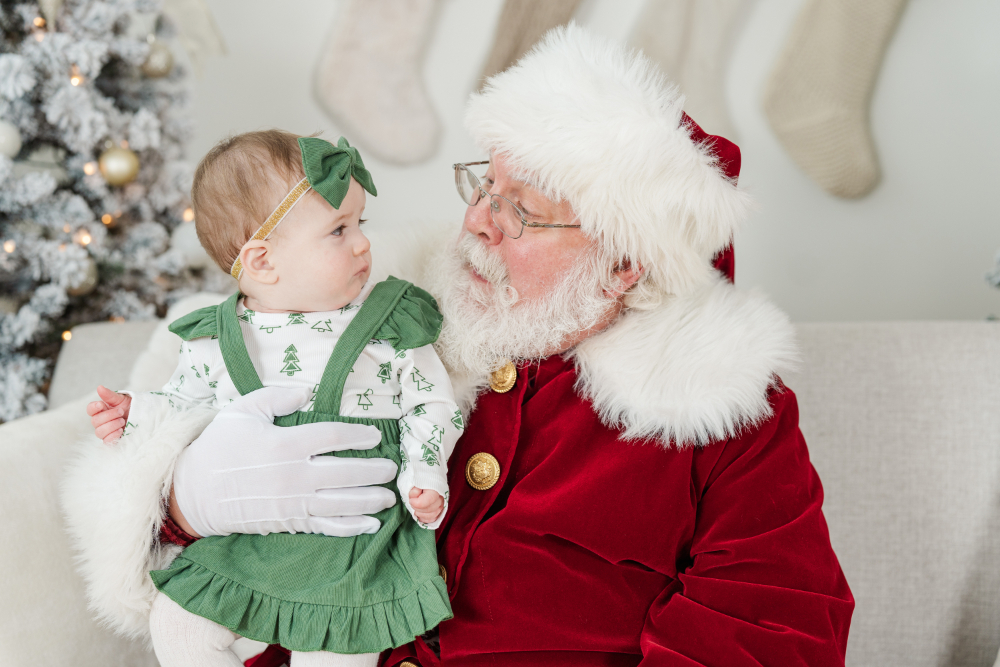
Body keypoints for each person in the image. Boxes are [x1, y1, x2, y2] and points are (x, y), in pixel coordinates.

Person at [64, 25, 854, 666]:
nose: (478, 219)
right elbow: (212, 362)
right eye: (485, 186)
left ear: (621, 266)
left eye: (522, 211)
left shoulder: (721, 410)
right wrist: (180, 499)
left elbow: (775, 626)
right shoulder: (377, 307)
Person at [83, 131, 461, 666]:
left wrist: (425, 472)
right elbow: (184, 404)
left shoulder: (388, 322)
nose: (363, 244)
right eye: (338, 230)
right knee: (176, 620)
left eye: (360, 224)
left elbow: (432, 402)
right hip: (250, 539)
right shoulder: (216, 338)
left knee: (333, 651)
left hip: (353, 544)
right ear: (261, 262)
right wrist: (138, 413)